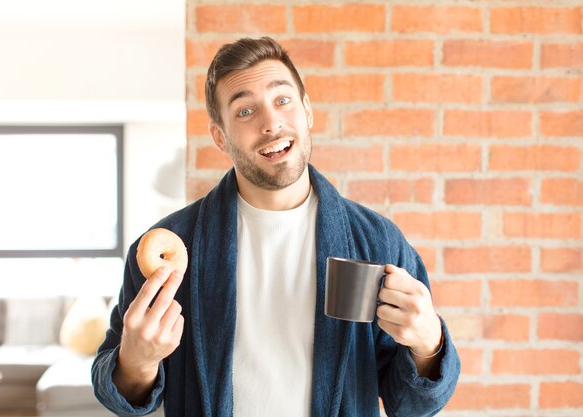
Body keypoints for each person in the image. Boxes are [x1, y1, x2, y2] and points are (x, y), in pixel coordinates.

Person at [92, 36, 460, 417]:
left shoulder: (375, 241)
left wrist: (428, 343)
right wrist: (137, 363)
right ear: (220, 137)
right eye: (245, 112)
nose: (271, 123)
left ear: (307, 111)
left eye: (282, 100)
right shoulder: (173, 249)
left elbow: (413, 404)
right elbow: (119, 392)